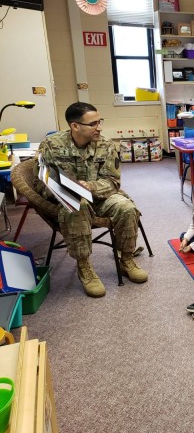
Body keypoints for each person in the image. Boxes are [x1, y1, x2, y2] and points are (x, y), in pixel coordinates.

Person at [35, 102, 147, 298]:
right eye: (93, 123)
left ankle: (126, 259)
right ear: (75, 126)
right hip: (68, 199)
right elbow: (43, 180)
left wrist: (91, 186)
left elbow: (113, 182)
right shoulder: (51, 145)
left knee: (127, 208)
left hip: (100, 197)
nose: (99, 127)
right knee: (77, 204)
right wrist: (66, 191)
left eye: (99, 121)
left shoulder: (105, 145)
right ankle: (84, 266)